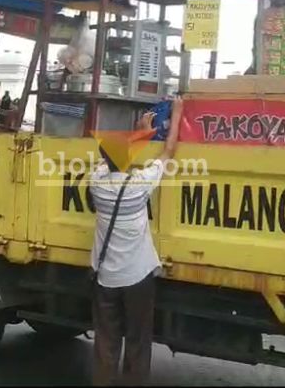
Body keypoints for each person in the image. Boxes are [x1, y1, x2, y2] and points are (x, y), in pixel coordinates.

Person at [89, 97, 183, 386]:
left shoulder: (96, 182)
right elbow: (168, 150)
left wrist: (139, 133)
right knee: (138, 342)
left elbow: (114, 158)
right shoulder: (139, 185)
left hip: (106, 279)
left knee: (106, 343)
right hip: (137, 280)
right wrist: (177, 112)